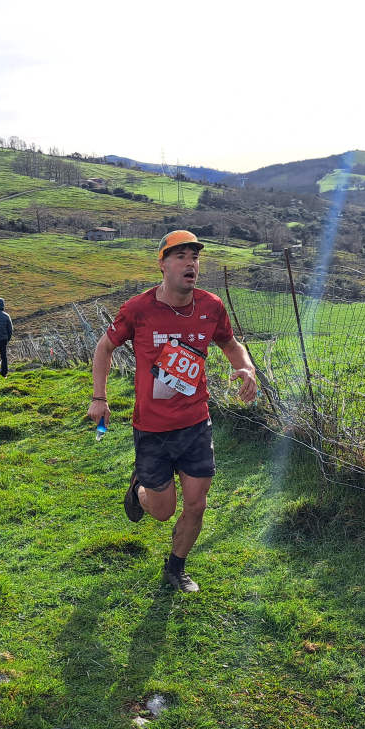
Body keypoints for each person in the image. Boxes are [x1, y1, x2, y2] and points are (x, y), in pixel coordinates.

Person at [88, 230, 257, 593]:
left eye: (194, 257)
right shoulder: (138, 309)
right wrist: (99, 398)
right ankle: (140, 487)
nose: (190, 263)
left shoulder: (211, 306)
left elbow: (230, 343)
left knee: (196, 505)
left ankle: (176, 567)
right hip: (152, 428)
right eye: (180, 256)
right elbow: (104, 348)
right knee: (163, 510)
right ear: (162, 264)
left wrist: (246, 368)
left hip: (195, 424)